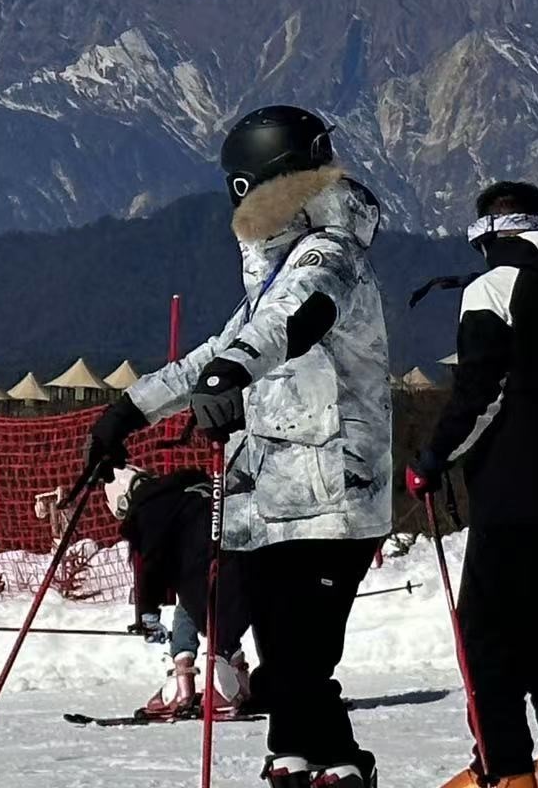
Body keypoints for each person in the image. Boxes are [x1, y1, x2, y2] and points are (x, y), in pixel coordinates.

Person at [84, 105, 392, 788]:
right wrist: (128, 410)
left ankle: (340, 764)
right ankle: (299, 756)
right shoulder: (275, 273)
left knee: (297, 659)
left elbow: (293, 323)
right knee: (280, 650)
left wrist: (231, 375)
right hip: (279, 497)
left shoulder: (325, 257)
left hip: (334, 492)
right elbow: (216, 352)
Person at [406, 181, 538, 788]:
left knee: (487, 637)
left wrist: (433, 456)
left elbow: (481, 393)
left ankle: (505, 771)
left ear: (487, 235)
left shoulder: (490, 289)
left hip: (512, 489)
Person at [105, 465, 251, 720]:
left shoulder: (149, 510)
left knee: (199, 596)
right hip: (245, 557)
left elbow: (149, 568)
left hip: (204, 566)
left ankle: (203, 682)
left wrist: (148, 614)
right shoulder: (185, 489)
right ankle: (234, 673)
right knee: (201, 602)